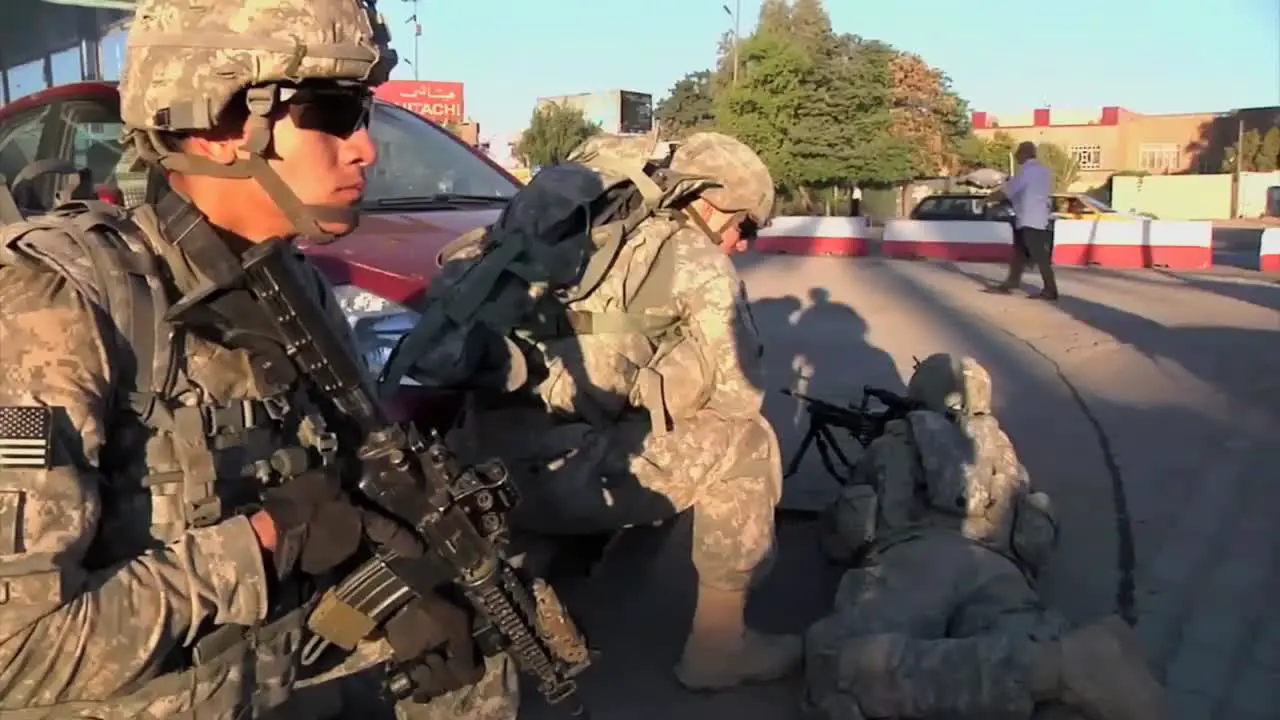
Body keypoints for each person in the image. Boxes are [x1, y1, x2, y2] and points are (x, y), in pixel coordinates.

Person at [0, 0, 515, 717]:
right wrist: (269, 539)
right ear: (216, 128)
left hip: (269, 674)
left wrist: (399, 577)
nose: (365, 147)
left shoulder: (293, 283)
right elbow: (15, 651)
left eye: (362, 114)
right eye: (334, 113)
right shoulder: (57, 305)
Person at [426, 131, 803, 691]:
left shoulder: (536, 235)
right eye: (745, 225)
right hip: (570, 479)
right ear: (709, 202)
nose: (743, 243)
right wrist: (670, 387)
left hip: (476, 467)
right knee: (748, 440)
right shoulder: (695, 261)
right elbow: (739, 394)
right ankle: (719, 647)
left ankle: (553, 574)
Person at [805, 353, 1167, 720]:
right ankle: (1064, 665)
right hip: (998, 570)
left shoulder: (892, 443)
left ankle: (1049, 669)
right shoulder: (1002, 449)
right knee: (1034, 673)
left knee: (835, 667)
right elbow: (1033, 537)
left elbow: (846, 534)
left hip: (908, 563)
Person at [986, 141, 1059, 301]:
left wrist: (987, 200)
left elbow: (1008, 190)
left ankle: (1050, 289)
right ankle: (1010, 284)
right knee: (1019, 254)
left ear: (1025, 153)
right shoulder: (1044, 171)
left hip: (1028, 219)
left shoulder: (1027, 172)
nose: (1017, 156)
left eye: (1018, 152)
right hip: (1038, 218)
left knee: (1039, 256)